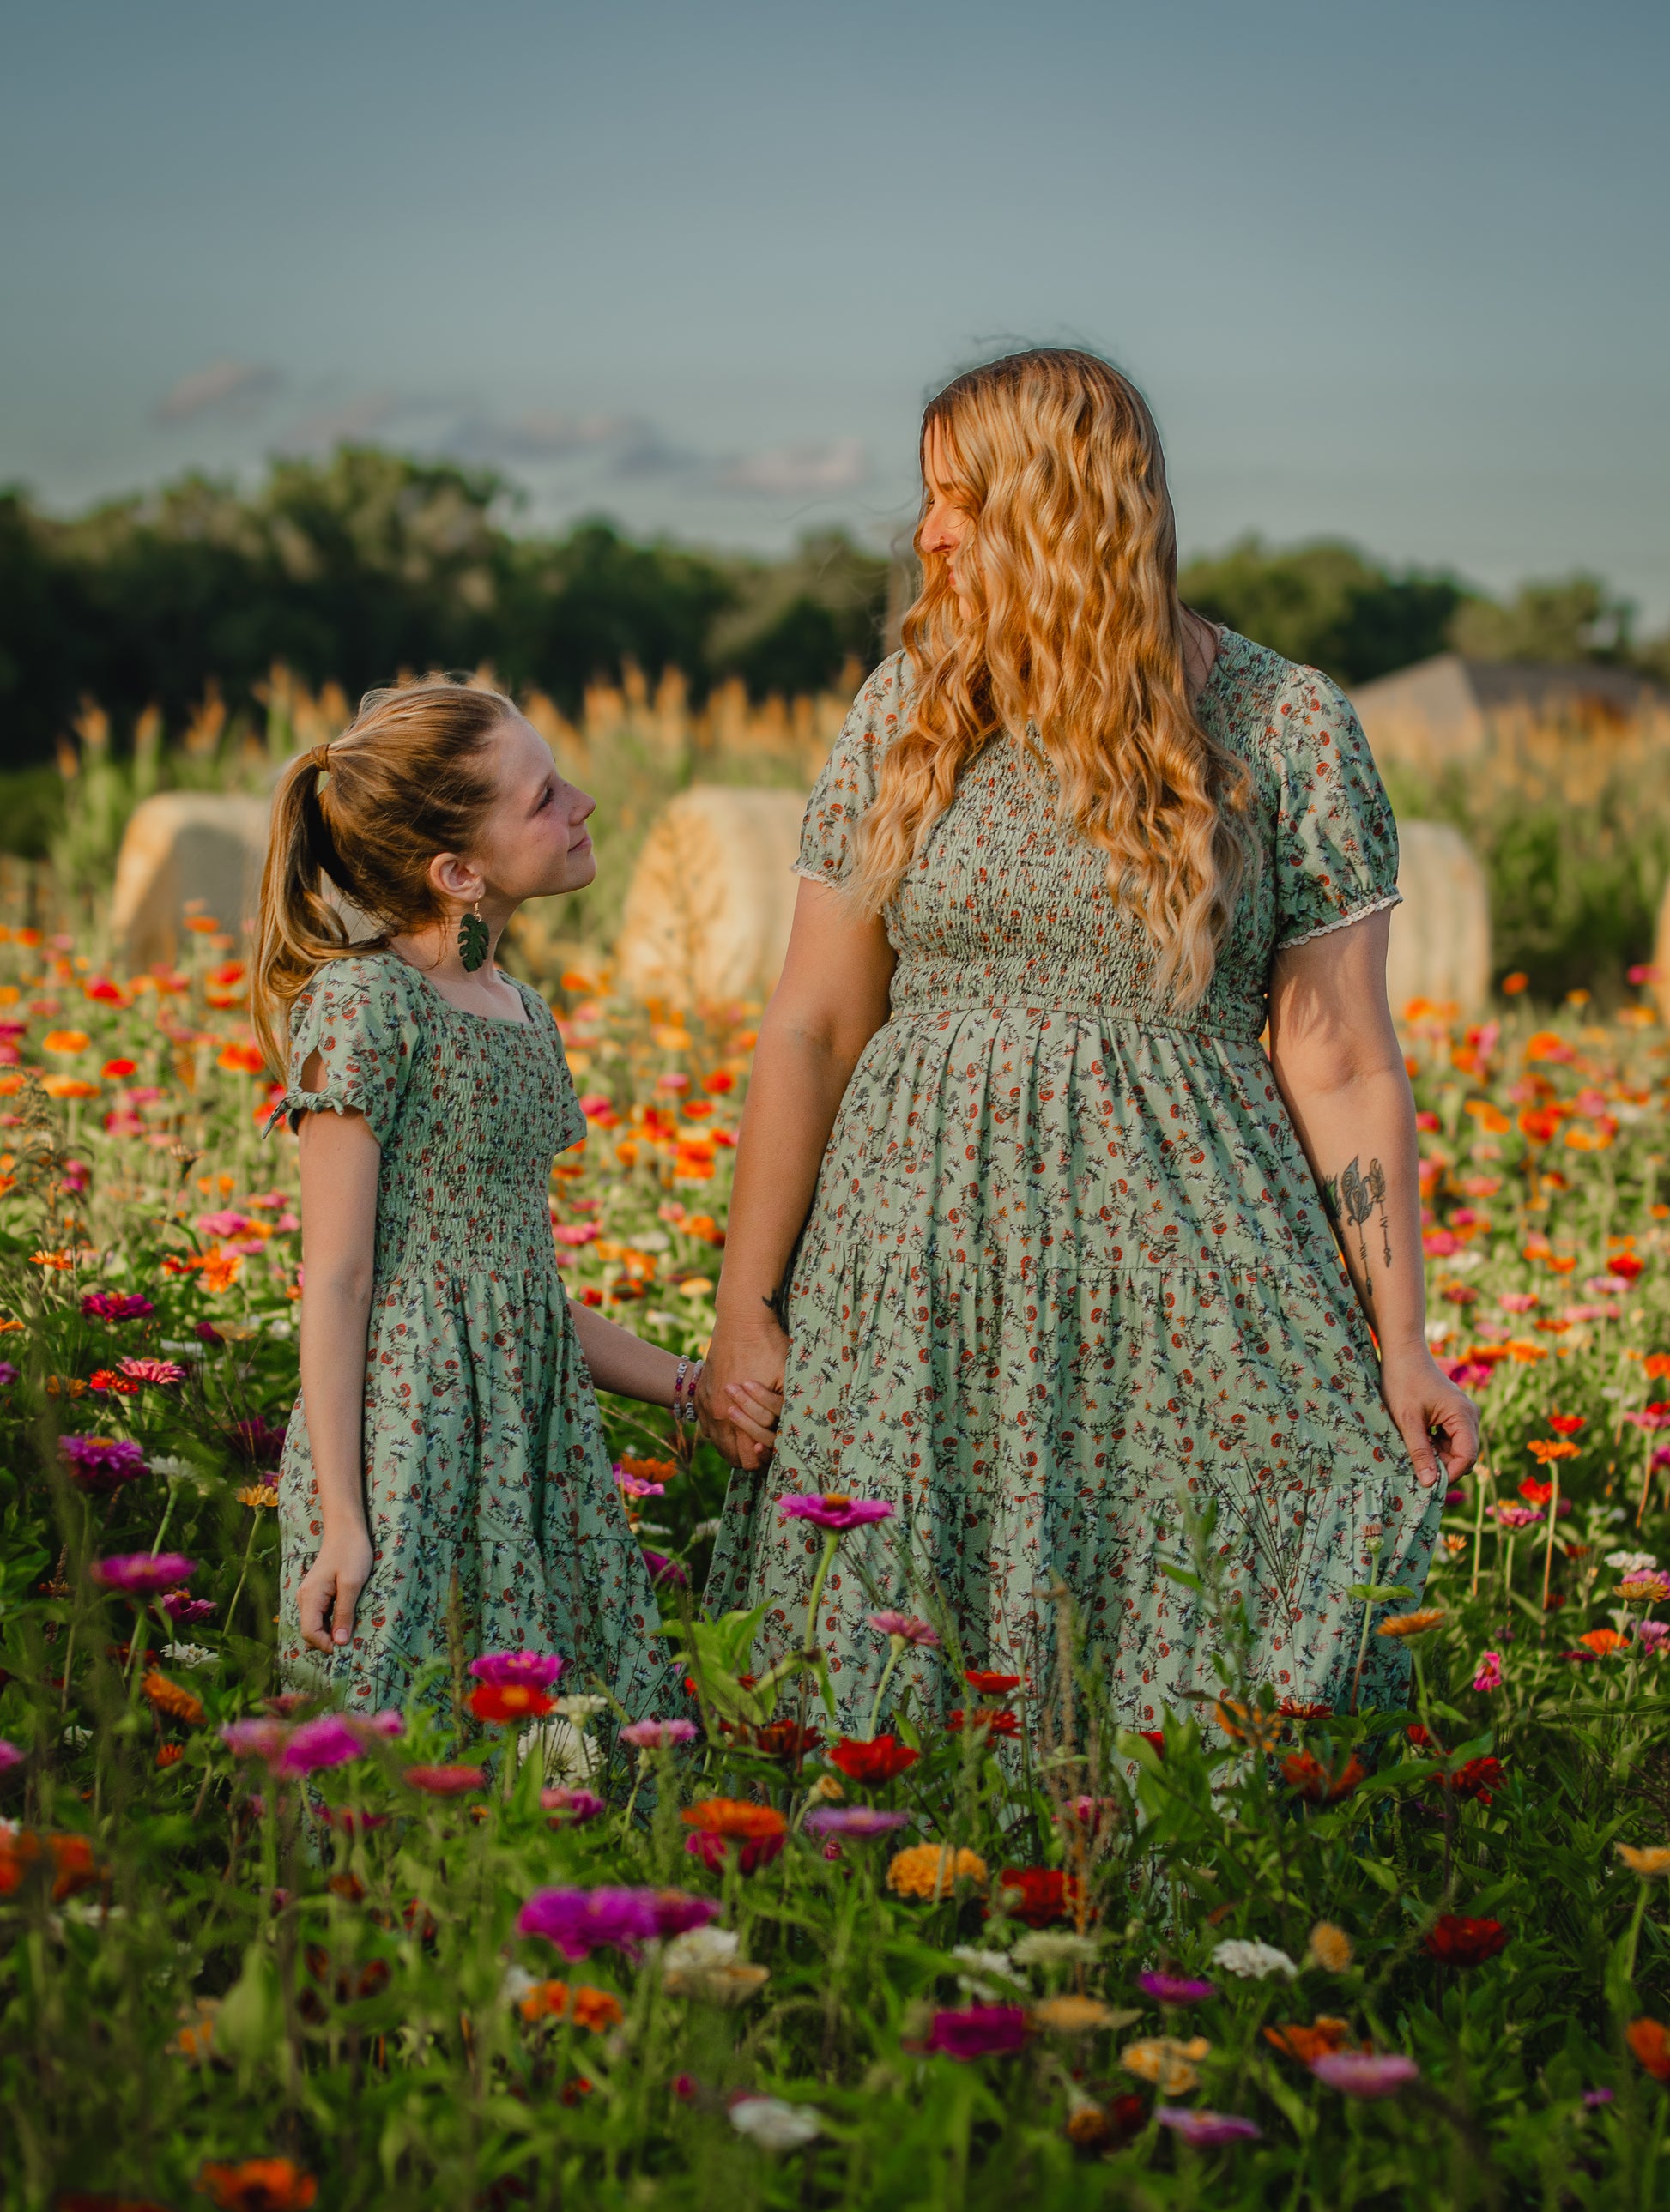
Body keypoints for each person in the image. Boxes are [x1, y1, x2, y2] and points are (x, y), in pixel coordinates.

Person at [698, 348, 1478, 1732]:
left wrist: (1400, 1334)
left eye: (960, 499)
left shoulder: (1284, 726)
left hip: (1181, 1280)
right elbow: (813, 1025)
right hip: (913, 1278)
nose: (928, 534)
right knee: (896, 1642)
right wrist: (746, 1299)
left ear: (1067, 508)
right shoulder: (906, 712)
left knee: (1204, 1635)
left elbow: (1343, 1055)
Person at [250, 677, 769, 1713]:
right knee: (407, 1725)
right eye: (541, 798)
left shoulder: (522, 1014)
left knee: (567, 1727)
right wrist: (343, 1517)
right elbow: (340, 1280)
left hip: (534, 1443)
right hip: (404, 1446)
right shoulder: (364, 1005)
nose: (581, 804)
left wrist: (690, 1384)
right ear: (458, 872)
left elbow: (521, 1289)